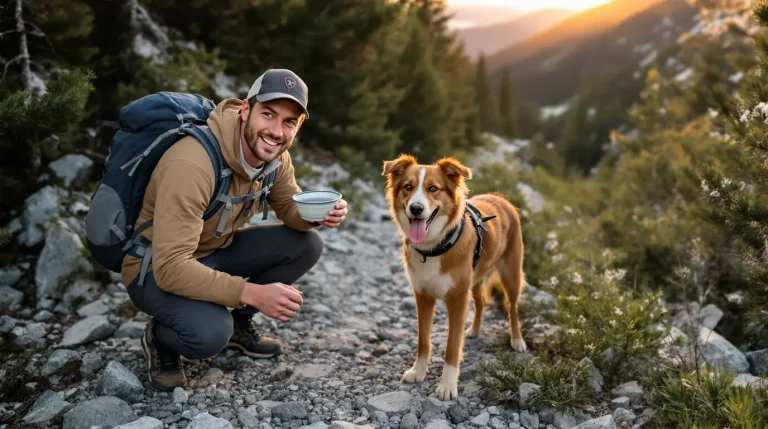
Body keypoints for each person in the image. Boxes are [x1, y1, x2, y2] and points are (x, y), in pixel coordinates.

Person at [120, 69, 348, 391]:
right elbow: (171, 268)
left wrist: (318, 215)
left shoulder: (276, 158)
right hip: (154, 267)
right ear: (245, 110)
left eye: (289, 121)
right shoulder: (192, 164)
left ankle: (239, 327)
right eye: (268, 114)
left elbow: (288, 208)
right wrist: (252, 293)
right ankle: (160, 339)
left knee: (308, 244)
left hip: (213, 250)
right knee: (210, 334)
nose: (276, 131)